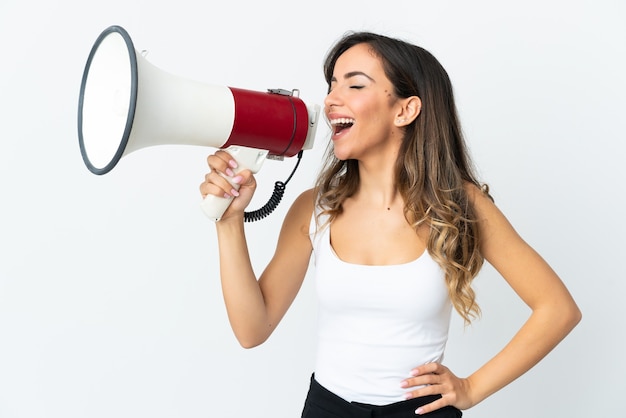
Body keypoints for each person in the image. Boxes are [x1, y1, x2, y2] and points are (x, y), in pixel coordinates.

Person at [199, 31, 581, 417]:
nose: (331, 99)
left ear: (405, 110)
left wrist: (471, 388)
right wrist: (229, 222)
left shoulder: (461, 205)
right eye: (332, 85)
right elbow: (252, 330)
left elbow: (557, 308)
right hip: (326, 408)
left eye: (355, 84)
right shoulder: (314, 209)